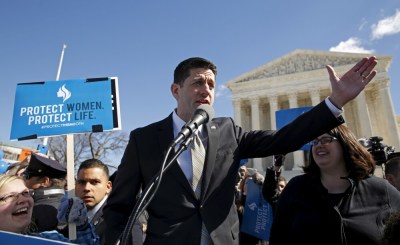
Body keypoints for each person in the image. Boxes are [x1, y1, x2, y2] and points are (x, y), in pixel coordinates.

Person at [103, 56, 378, 245]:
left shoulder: (228, 131)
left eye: (211, 85)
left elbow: (284, 138)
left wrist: (335, 102)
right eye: (198, 82)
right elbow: (120, 207)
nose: (206, 90)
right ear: (176, 89)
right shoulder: (145, 139)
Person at [268, 124, 400, 245]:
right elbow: (278, 237)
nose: (319, 145)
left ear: (345, 144)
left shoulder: (381, 190)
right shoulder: (296, 189)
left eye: (326, 139)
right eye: (315, 141)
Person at [0, 174, 99, 244]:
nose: (23, 200)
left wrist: (81, 227)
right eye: (10, 196)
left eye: (25, 193)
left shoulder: (52, 239)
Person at [22, 153, 67, 232]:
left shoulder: (41, 210)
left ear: (44, 181)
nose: (24, 180)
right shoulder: (64, 202)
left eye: (27, 176)